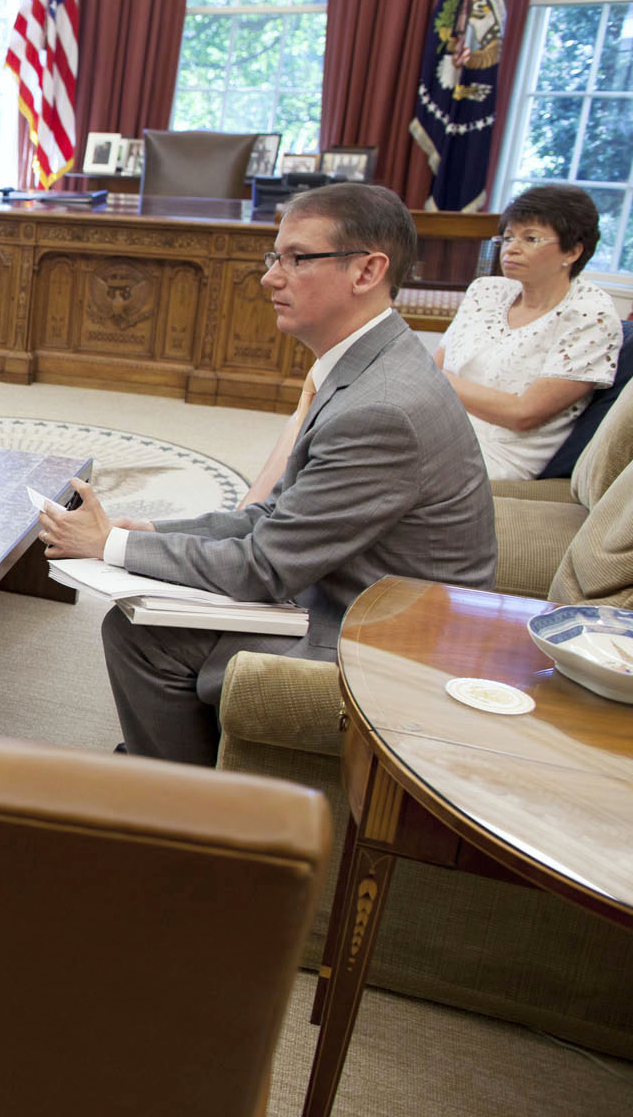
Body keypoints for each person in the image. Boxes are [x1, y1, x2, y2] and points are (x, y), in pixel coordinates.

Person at [37, 182, 497, 766]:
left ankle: (183, 807)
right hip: (355, 594)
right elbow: (270, 515)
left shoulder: (382, 407)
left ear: (368, 271)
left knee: (141, 634)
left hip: (388, 642)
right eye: (273, 256)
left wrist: (112, 545)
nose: (270, 277)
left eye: (297, 258)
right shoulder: (373, 362)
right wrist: (150, 533)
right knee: (152, 598)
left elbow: (266, 566)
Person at [434, 184, 621, 481]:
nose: (511, 248)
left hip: (498, 455)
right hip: (438, 424)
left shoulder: (589, 315)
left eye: (530, 238)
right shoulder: (486, 290)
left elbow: (523, 414)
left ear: (572, 251)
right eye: (507, 237)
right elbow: (436, 368)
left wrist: (435, 380)